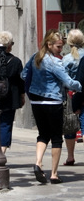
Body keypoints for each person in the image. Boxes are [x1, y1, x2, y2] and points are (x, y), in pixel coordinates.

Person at [22, 30, 81, 184]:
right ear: (49, 45)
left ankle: (38, 163)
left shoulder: (35, 57)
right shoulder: (55, 62)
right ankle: (54, 174)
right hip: (53, 102)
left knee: (42, 135)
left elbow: (23, 74)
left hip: (36, 102)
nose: (60, 50)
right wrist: (80, 86)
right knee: (56, 138)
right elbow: (68, 82)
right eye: (58, 46)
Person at [61, 28, 84, 165]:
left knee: (69, 125)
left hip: (70, 95)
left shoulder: (66, 59)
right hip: (83, 94)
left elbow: (63, 78)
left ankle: (70, 156)